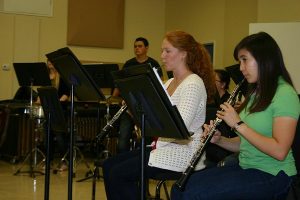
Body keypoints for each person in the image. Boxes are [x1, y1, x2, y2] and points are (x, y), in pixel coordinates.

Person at [171, 31, 300, 199]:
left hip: (274, 175)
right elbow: (246, 143)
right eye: (240, 61)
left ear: (264, 58)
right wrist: (220, 140)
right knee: (181, 186)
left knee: (195, 194)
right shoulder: (256, 93)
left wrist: (238, 124)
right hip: (246, 166)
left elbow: (279, 150)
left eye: (245, 60)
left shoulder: (285, 94)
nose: (241, 68)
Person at [102, 30, 216, 199]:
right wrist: (135, 108)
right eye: (162, 50)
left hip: (183, 153)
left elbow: (178, 130)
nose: (162, 56)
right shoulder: (169, 82)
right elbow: (152, 122)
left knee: (117, 174)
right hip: (163, 147)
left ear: (184, 54)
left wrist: (149, 114)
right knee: (109, 165)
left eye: (168, 51)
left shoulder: (193, 83)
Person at [112, 37, 163, 153]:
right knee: (122, 140)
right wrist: (113, 98)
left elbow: (159, 86)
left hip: (148, 108)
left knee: (147, 141)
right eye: (135, 46)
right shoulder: (129, 64)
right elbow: (120, 85)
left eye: (140, 46)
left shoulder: (153, 64)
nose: (137, 48)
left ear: (146, 48)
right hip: (129, 108)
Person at [39, 60, 70, 171]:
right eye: (48, 61)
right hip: (48, 111)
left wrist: (56, 103)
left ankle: (65, 161)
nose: (50, 62)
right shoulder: (45, 77)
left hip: (60, 111)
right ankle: (49, 160)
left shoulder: (62, 77)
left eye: (52, 61)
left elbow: (66, 95)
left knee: (60, 137)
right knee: (47, 137)